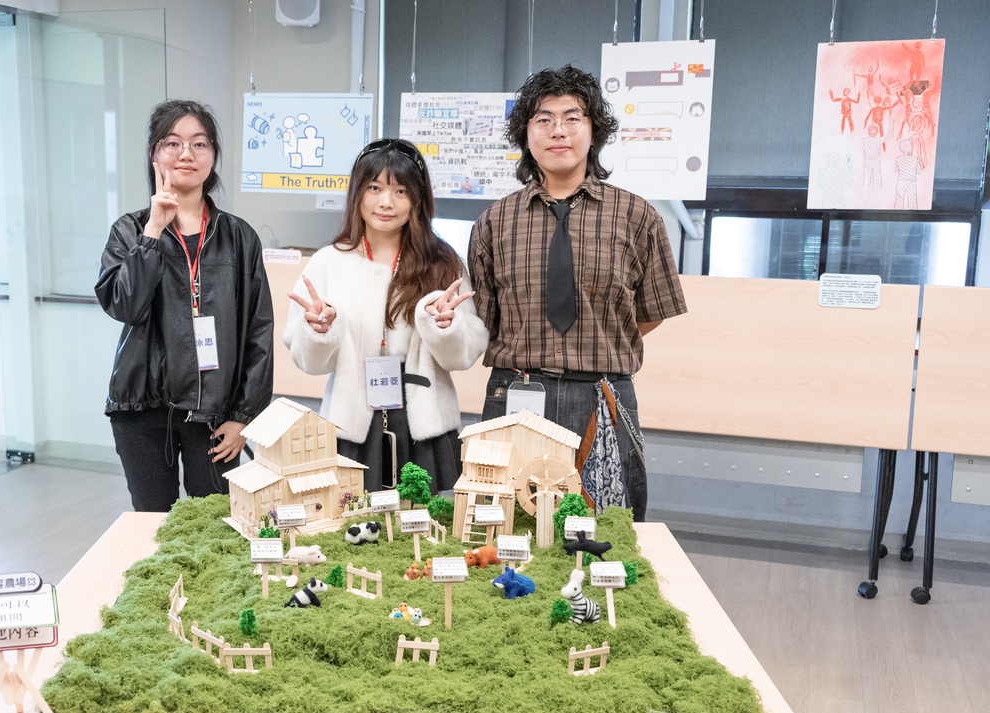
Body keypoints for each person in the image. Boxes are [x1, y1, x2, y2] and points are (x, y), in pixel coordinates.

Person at [467, 65, 687, 521]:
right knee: (507, 524)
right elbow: (484, 320)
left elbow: (650, 312)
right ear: (526, 134)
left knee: (607, 527)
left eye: (572, 117)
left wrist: (596, 343)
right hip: (517, 390)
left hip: (602, 394)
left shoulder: (637, 216)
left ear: (594, 131)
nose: (558, 130)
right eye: (543, 119)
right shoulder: (494, 221)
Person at [96, 100, 274, 512]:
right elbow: (124, 306)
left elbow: (259, 331)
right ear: (154, 154)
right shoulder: (130, 230)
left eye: (199, 143)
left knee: (216, 524)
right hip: (143, 408)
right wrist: (153, 231)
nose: (186, 154)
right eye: (172, 143)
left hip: (215, 414)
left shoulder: (239, 237)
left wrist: (244, 416)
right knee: (153, 523)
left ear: (213, 155)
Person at [283, 138, 489, 494]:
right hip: (352, 424)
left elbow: (463, 356)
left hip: (424, 424)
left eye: (400, 191)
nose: (386, 202)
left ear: (418, 199)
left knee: (423, 521)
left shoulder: (444, 263)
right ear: (357, 193)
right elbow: (309, 362)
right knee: (351, 520)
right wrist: (318, 331)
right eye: (374, 188)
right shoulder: (328, 262)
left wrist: (447, 328)